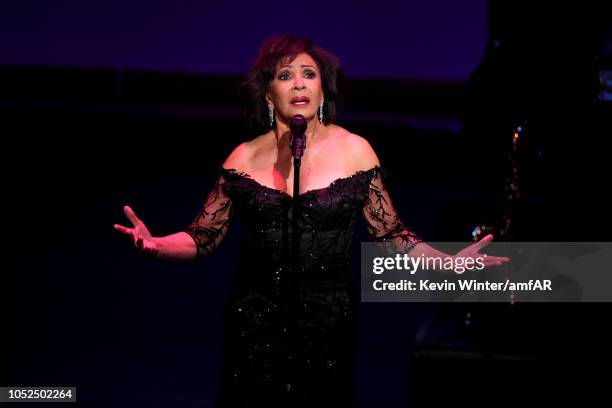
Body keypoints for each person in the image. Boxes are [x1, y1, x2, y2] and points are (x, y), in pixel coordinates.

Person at [114, 35, 508, 407]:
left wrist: (448, 260)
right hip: (254, 323)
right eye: (285, 76)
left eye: (308, 74)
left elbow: (392, 235)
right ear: (269, 93)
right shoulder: (242, 158)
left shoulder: (355, 151)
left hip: (326, 325)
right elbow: (204, 236)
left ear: (322, 90)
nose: (298, 84)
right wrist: (157, 245)